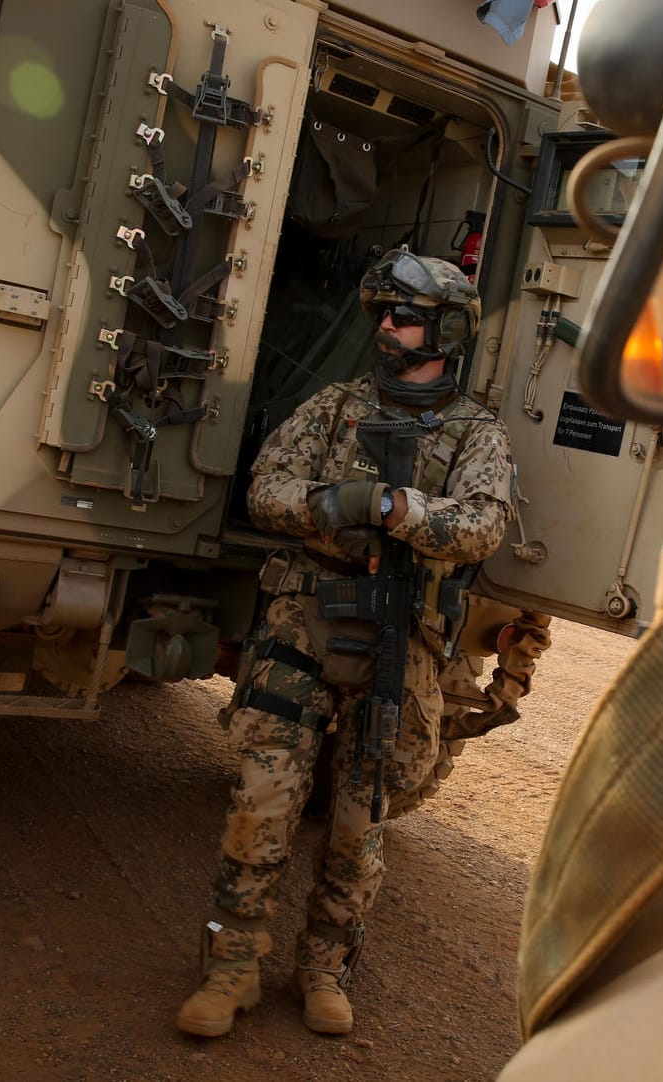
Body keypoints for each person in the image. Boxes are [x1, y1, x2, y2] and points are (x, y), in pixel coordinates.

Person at [177, 248, 513, 1038]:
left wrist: (397, 509)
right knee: (260, 803)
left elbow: (483, 525)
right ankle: (231, 971)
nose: (388, 328)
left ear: (446, 331)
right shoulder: (334, 406)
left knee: (362, 823)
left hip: (400, 635)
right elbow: (267, 489)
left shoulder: (476, 434)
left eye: (404, 316)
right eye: (385, 316)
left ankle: (325, 968)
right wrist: (336, 504)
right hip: (307, 619)